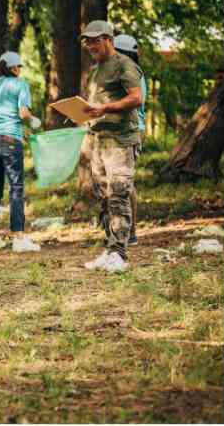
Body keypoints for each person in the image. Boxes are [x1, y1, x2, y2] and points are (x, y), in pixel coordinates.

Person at [79, 21, 144, 273]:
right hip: (99, 140)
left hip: (120, 140)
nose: (90, 46)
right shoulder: (96, 70)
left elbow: (136, 98)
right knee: (104, 198)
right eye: (87, 41)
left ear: (108, 39)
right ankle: (109, 250)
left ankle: (120, 254)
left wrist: (105, 108)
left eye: (95, 40)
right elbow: (94, 103)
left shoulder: (124, 64)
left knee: (118, 195)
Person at [0, 51, 42, 253]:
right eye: (19, 66)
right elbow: (23, 113)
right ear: (14, 68)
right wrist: (32, 120)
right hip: (9, 139)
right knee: (16, 188)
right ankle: (19, 238)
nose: (20, 70)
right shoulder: (20, 84)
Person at [113, 34, 147, 246]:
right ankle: (121, 229)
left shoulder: (131, 73)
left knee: (125, 182)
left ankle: (130, 232)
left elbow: (130, 103)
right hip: (121, 130)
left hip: (131, 130)